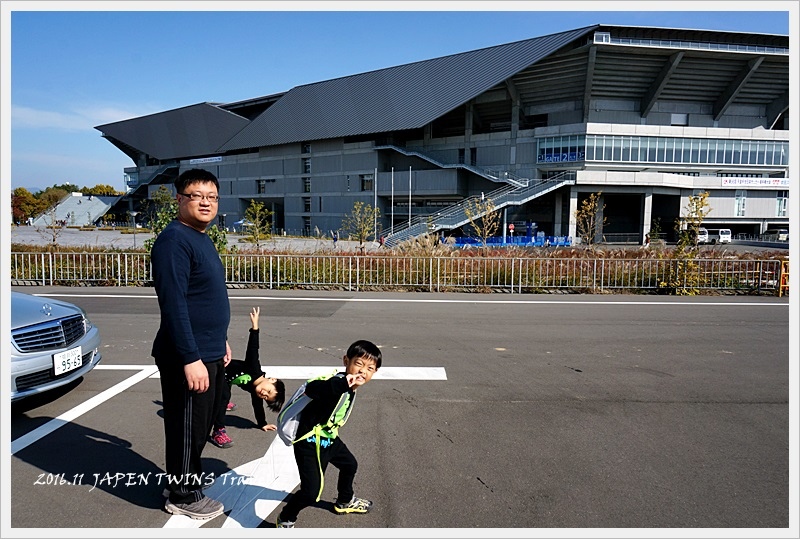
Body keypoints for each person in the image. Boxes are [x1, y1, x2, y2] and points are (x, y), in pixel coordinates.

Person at [151, 168, 231, 520]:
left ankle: (187, 481)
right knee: (187, 427)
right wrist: (190, 358)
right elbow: (174, 304)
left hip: (208, 349)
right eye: (197, 196)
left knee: (199, 426)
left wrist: (221, 339)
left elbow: (204, 297)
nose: (205, 202)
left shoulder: (201, 237)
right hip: (187, 354)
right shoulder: (173, 241)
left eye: (211, 197)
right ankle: (182, 495)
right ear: (179, 200)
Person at [276, 340, 383, 528]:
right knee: (311, 493)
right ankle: (286, 518)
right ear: (346, 361)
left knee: (350, 465)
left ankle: (345, 501)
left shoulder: (350, 387)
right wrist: (342, 383)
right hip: (309, 441)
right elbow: (314, 388)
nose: (362, 371)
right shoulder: (336, 382)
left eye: (370, 368)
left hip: (328, 439)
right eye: (358, 364)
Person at [210, 306, 286, 448]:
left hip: (228, 379)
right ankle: (218, 431)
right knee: (223, 397)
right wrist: (255, 327)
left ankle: (221, 402)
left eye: (265, 397)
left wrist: (262, 424)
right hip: (220, 369)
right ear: (272, 380)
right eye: (268, 391)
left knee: (224, 394)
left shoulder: (257, 391)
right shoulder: (254, 368)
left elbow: (258, 407)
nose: (263, 394)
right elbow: (253, 348)